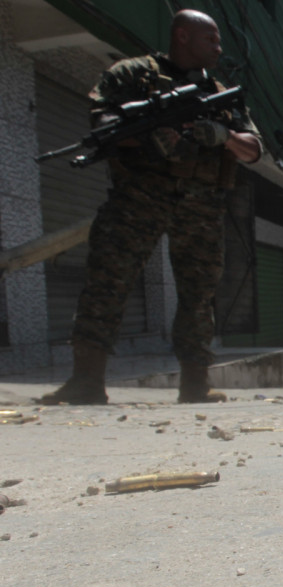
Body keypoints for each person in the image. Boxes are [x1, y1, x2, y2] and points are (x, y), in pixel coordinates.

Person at [40, 10, 263, 405]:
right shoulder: (132, 75)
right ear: (182, 36)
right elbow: (103, 124)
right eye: (210, 39)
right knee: (108, 281)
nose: (219, 47)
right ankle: (86, 380)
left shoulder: (219, 92)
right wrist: (149, 138)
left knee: (199, 294)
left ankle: (195, 384)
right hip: (138, 196)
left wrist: (222, 134)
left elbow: (253, 151)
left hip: (202, 204)